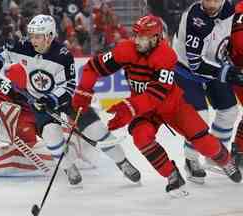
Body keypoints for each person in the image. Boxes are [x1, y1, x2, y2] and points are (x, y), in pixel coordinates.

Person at [72, 14, 242, 195]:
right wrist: (83, 92)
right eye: (135, 35)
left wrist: (129, 108)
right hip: (144, 108)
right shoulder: (125, 50)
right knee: (141, 138)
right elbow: (93, 67)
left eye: (143, 37)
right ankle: (172, 175)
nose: (137, 41)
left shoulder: (167, 56)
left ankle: (225, 160)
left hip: (172, 106)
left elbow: (156, 95)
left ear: (156, 38)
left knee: (203, 142)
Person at [0, 14, 141, 184]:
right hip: (40, 102)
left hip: (67, 100)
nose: (33, 40)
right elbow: (5, 52)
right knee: (51, 135)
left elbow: (68, 87)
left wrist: (51, 100)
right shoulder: (24, 46)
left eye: (37, 36)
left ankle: (123, 162)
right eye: (32, 35)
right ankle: (68, 167)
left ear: (49, 36)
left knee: (96, 131)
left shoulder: (63, 55)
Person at [172, 0, 239, 184]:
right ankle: (191, 159)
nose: (210, 4)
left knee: (230, 110)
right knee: (199, 117)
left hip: (214, 63)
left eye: (215, 0)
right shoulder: (196, 19)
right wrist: (228, 72)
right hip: (185, 70)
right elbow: (196, 65)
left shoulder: (230, 10)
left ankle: (216, 154)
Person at [228, 1, 243, 168]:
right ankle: (238, 149)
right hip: (239, 70)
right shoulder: (240, 12)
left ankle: (239, 149)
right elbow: (240, 43)